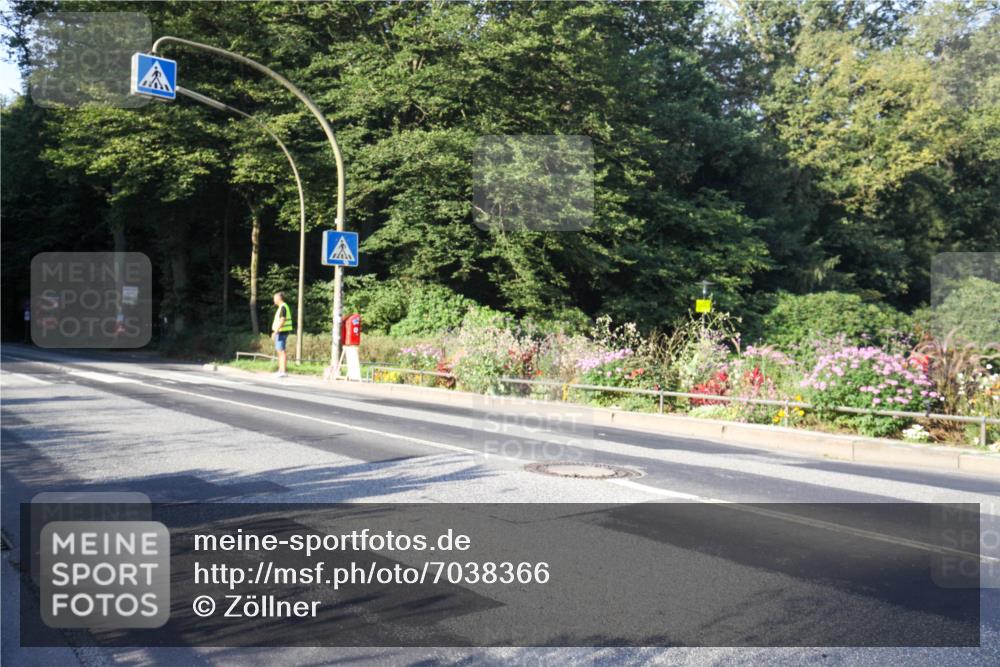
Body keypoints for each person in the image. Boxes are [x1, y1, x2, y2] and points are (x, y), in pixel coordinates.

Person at [271, 292, 293, 378]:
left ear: (279, 298)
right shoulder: (282, 307)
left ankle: (283, 371)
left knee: (281, 351)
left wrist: (275, 332)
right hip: (281, 331)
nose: (274, 300)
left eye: (275, 298)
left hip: (281, 331)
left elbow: (282, 320)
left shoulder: (283, 306)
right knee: (279, 351)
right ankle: (280, 370)